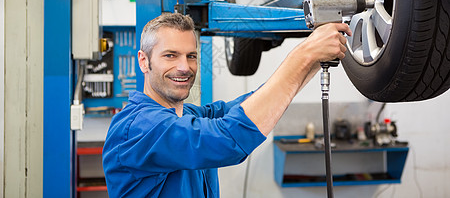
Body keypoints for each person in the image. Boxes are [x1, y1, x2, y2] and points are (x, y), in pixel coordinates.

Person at [102, 12, 351, 197]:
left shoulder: (186, 115)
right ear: (144, 62)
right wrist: (303, 54)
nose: (184, 67)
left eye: (191, 56)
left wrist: (314, 61)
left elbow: (244, 107)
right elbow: (227, 139)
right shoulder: (138, 128)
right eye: (170, 55)